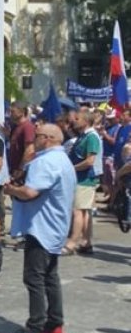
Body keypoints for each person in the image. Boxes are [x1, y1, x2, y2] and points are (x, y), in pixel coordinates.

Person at [3, 124, 76, 333]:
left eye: (37, 136)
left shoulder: (46, 161)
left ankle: (35, 328)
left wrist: (11, 190)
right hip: (55, 225)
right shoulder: (62, 160)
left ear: (48, 138)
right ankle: (54, 324)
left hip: (41, 226)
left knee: (34, 277)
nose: (34, 139)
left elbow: (29, 192)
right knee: (50, 276)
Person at [63, 108, 102, 255]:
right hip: (81, 178)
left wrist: (72, 168)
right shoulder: (83, 135)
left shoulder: (91, 137)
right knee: (85, 211)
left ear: (86, 121)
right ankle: (86, 242)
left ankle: (72, 243)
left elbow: (90, 161)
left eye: (78, 119)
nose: (74, 121)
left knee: (77, 211)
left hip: (85, 179)